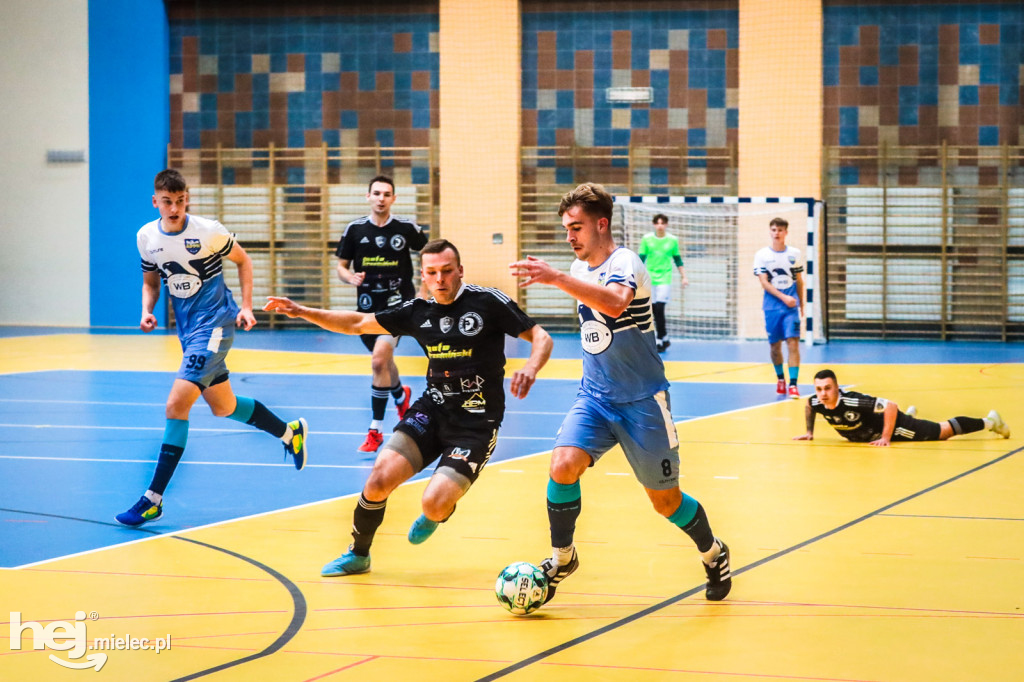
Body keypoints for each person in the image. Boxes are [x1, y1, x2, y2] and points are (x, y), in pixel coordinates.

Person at [265, 239, 552, 576]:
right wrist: (302, 311)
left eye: (447, 271)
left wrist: (531, 368)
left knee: (433, 503)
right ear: (424, 275)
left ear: (460, 270)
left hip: (475, 424)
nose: (441, 279)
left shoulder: (487, 302)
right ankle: (358, 555)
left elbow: (541, 337)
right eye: (432, 273)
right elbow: (357, 323)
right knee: (378, 478)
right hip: (433, 410)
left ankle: (437, 512)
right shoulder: (417, 311)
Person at [509, 182, 732, 605]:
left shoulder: (626, 260)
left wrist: (554, 277)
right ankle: (563, 557)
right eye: (566, 229)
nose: (570, 236)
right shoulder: (578, 270)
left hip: (642, 401)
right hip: (595, 396)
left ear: (601, 224)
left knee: (665, 502)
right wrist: (563, 277)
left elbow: (614, 304)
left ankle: (713, 552)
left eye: (576, 227)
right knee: (562, 466)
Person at [117, 169, 307, 527]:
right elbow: (151, 283)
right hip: (189, 333)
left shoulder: (208, 232)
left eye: (180, 201)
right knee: (224, 407)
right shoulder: (146, 237)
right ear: (155, 201)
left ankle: (153, 499)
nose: (174, 208)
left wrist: (246, 307)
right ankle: (289, 432)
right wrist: (146, 311)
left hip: (216, 324)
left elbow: (244, 261)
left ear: (187, 199)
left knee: (176, 405)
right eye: (167, 201)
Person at [335, 175, 428, 453]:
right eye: (376, 193)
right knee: (384, 364)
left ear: (393, 199)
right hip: (366, 309)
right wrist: (349, 277)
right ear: (368, 197)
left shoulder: (405, 228)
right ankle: (401, 394)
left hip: (398, 307)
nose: (381, 198)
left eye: (386, 194)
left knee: (378, 361)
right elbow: (341, 266)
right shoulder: (354, 230)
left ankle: (375, 429)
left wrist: (423, 292)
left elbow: (430, 255)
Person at [794, 369, 1011, 445]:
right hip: (873, 431)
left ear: (837, 387)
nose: (823, 394)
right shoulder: (816, 401)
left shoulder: (853, 401)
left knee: (941, 432)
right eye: (819, 389)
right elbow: (809, 406)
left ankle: (990, 421)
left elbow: (890, 406)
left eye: (828, 388)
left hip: (895, 427)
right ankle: (910, 417)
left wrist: (886, 437)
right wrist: (809, 432)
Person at [753, 217, 805, 399]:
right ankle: (780, 378)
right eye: (774, 230)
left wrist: (802, 305)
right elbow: (764, 282)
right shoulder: (762, 256)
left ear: (786, 232)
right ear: (770, 231)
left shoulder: (795, 254)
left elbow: (799, 281)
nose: (777, 233)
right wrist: (784, 297)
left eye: (780, 230)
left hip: (791, 308)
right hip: (772, 307)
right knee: (775, 347)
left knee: (793, 342)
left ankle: (793, 384)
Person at [638, 213, 688, 352]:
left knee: (660, 309)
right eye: (657, 223)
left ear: (666, 225)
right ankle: (664, 337)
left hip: (665, 278)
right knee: (653, 310)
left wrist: (684, 276)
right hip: (649, 278)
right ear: (654, 224)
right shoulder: (647, 239)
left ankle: (660, 339)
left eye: (662, 223)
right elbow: (640, 259)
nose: (660, 225)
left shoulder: (672, 240)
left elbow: (678, 259)